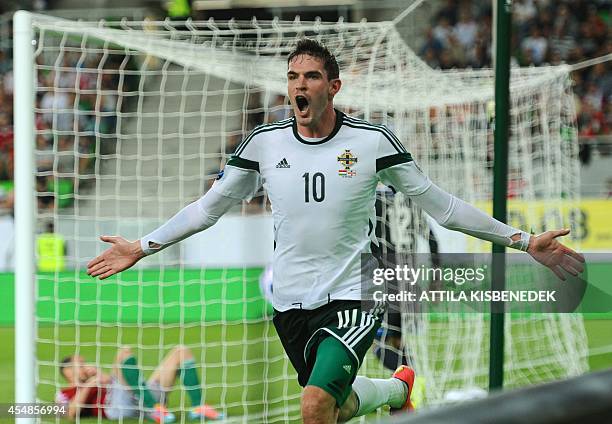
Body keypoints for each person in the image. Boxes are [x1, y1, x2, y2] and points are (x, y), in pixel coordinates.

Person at [87, 39, 584, 423]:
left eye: (311, 76)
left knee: (313, 405)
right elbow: (208, 208)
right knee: (336, 408)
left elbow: (442, 206)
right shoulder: (262, 143)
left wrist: (521, 240)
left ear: (333, 86)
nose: (299, 86)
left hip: (353, 296)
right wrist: (142, 246)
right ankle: (396, 389)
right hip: (289, 305)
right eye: (292, 77)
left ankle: (392, 388)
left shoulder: (372, 143)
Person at [56, 346, 222, 422]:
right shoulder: (63, 393)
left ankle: (198, 407)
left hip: (138, 394)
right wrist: (89, 384)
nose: (86, 365)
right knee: (123, 353)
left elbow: (112, 381)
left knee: (181, 351)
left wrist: (98, 374)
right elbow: (70, 413)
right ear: (69, 371)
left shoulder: (96, 376)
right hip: (118, 406)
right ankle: (153, 409)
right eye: (81, 363)